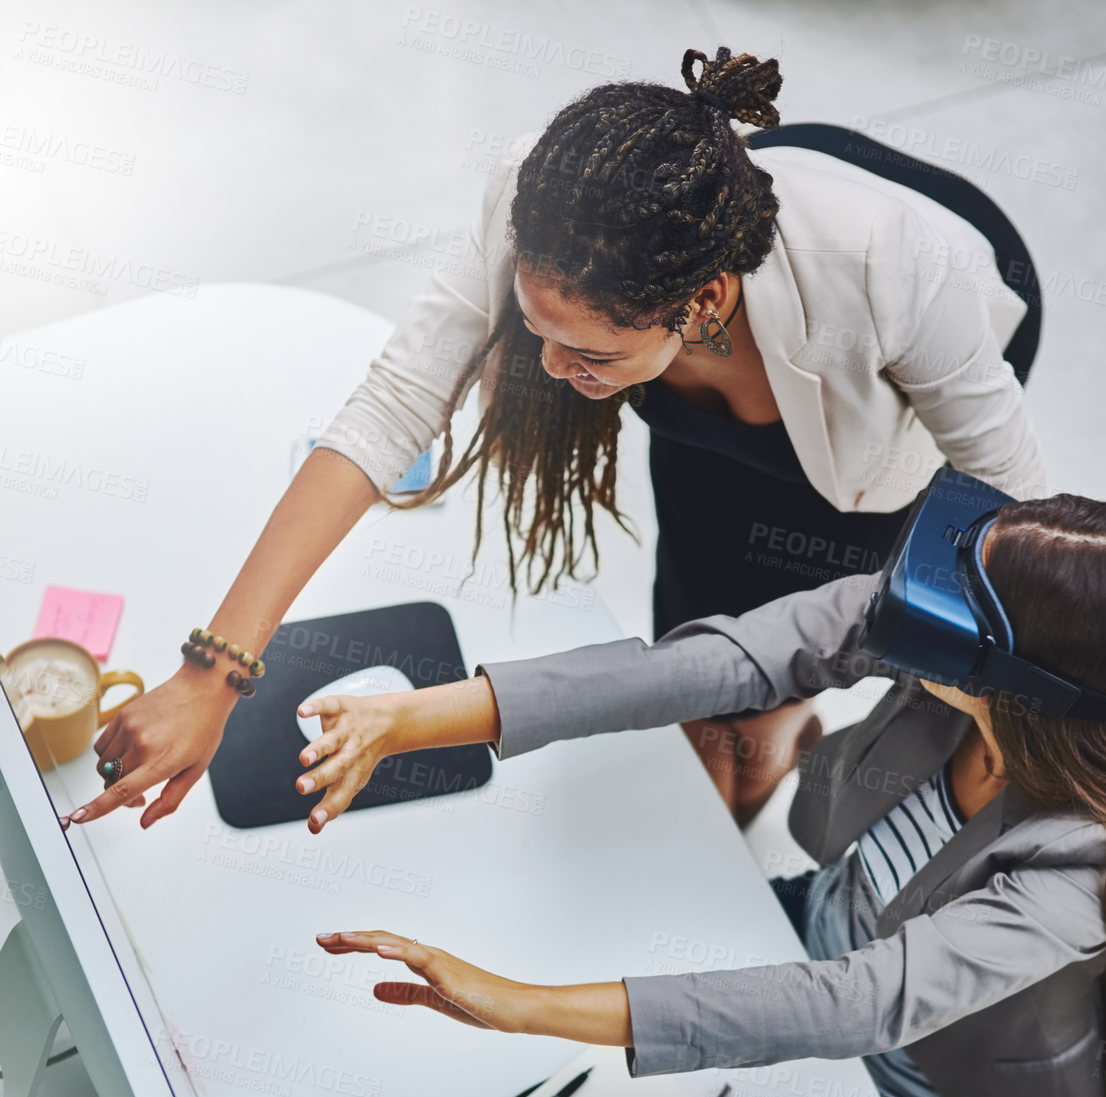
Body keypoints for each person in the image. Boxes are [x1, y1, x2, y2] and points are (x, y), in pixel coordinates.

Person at [71, 45, 1045, 835]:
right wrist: (214, 674)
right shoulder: (548, 203)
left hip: (893, 413)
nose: (540, 369)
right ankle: (735, 743)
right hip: (706, 390)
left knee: (763, 701)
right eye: (533, 327)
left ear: (699, 305)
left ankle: (765, 754)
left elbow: (1023, 522)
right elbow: (392, 405)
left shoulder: (898, 274)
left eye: (582, 349)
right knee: (699, 648)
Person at [299, 489, 1106, 1097]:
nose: (910, 592)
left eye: (952, 600)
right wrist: (409, 719)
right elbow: (722, 662)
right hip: (815, 930)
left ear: (1017, 687)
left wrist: (523, 1007)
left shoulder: (1102, 861)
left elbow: (866, 1002)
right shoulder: (951, 626)